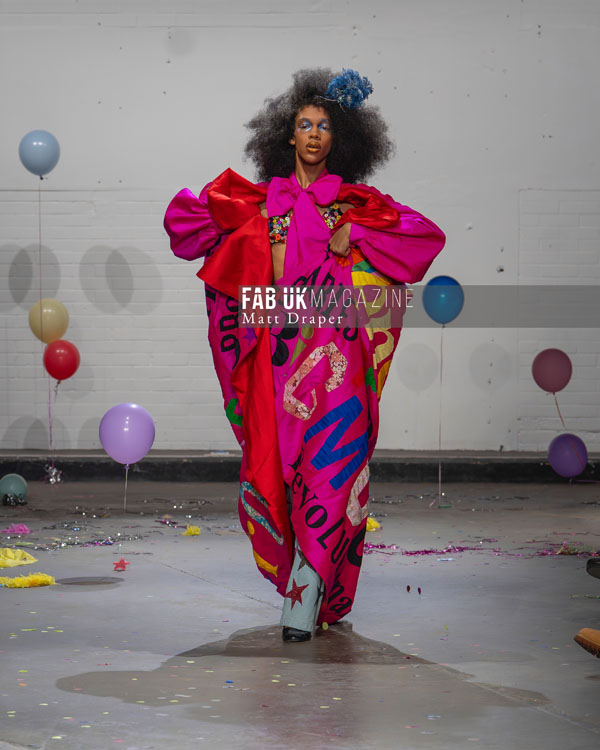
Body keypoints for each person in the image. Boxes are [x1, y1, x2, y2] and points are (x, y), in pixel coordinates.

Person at [164, 68, 446, 642]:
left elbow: (424, 236)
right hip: (276, 367)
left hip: (338, 369)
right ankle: (312, 589)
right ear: (287, 135)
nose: (314, 134)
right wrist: (250, 237)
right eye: (304, 124)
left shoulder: (356, 204)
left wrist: (358, 234)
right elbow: (185, 225)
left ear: (340, 139)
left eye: (324, 126)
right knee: (281, 479)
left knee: (330, 477)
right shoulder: (262, 203)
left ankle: (304, 597)